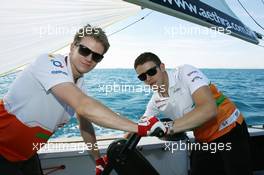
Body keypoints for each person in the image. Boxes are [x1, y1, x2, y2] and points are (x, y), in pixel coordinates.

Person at [0, 25, 166, 175]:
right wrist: (139, 127)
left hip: (26, 155)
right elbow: (84, 105)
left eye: (96, 57)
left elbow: (85, 124)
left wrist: (98, 159)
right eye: (85, 50)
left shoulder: (79, 84)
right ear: (72, 47)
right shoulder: (49, 62)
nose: (89, 59)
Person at [134, 52, 252, 175]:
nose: (148, 79)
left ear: (162, 67)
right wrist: (122, 142)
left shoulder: (184, 72)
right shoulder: (155, 100)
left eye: (151, 72)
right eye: (142, 77)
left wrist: (168, 127)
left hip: (230, 129)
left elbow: (209, 109)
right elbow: (142, 124)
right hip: (203, 139)